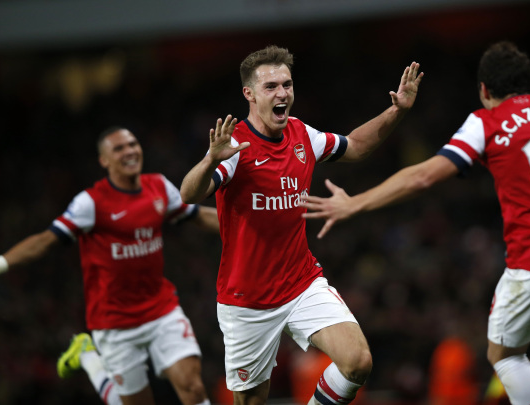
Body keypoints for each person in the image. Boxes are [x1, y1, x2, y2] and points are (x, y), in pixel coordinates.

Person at [301, 41, 530, 405]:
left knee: (506, 356)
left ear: (484, 91)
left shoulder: (486, 122)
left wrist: (356, 203)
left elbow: (424, 177)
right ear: (528, 84)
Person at [180, 45, 423, 404]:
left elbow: (355, 145)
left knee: (358, 363)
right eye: (271, 87)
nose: (282, 94)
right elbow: (189, 193)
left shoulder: (301, 135)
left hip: (301, 283)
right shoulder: (235, 148)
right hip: (247, 301)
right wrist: (208, 161)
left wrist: (397, 111)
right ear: (249, 94)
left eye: (287, 85)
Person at [0, 127, 220, 405]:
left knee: (193, 388)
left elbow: (199, 216)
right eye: (119, 148)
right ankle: (89, 357)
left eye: (133, 144)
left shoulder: (159, 186)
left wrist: (252, 225)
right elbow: (45, 240)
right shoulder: (91, 203)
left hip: (161, 310)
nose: (130, 151)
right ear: (104, 161)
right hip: (114, 322)